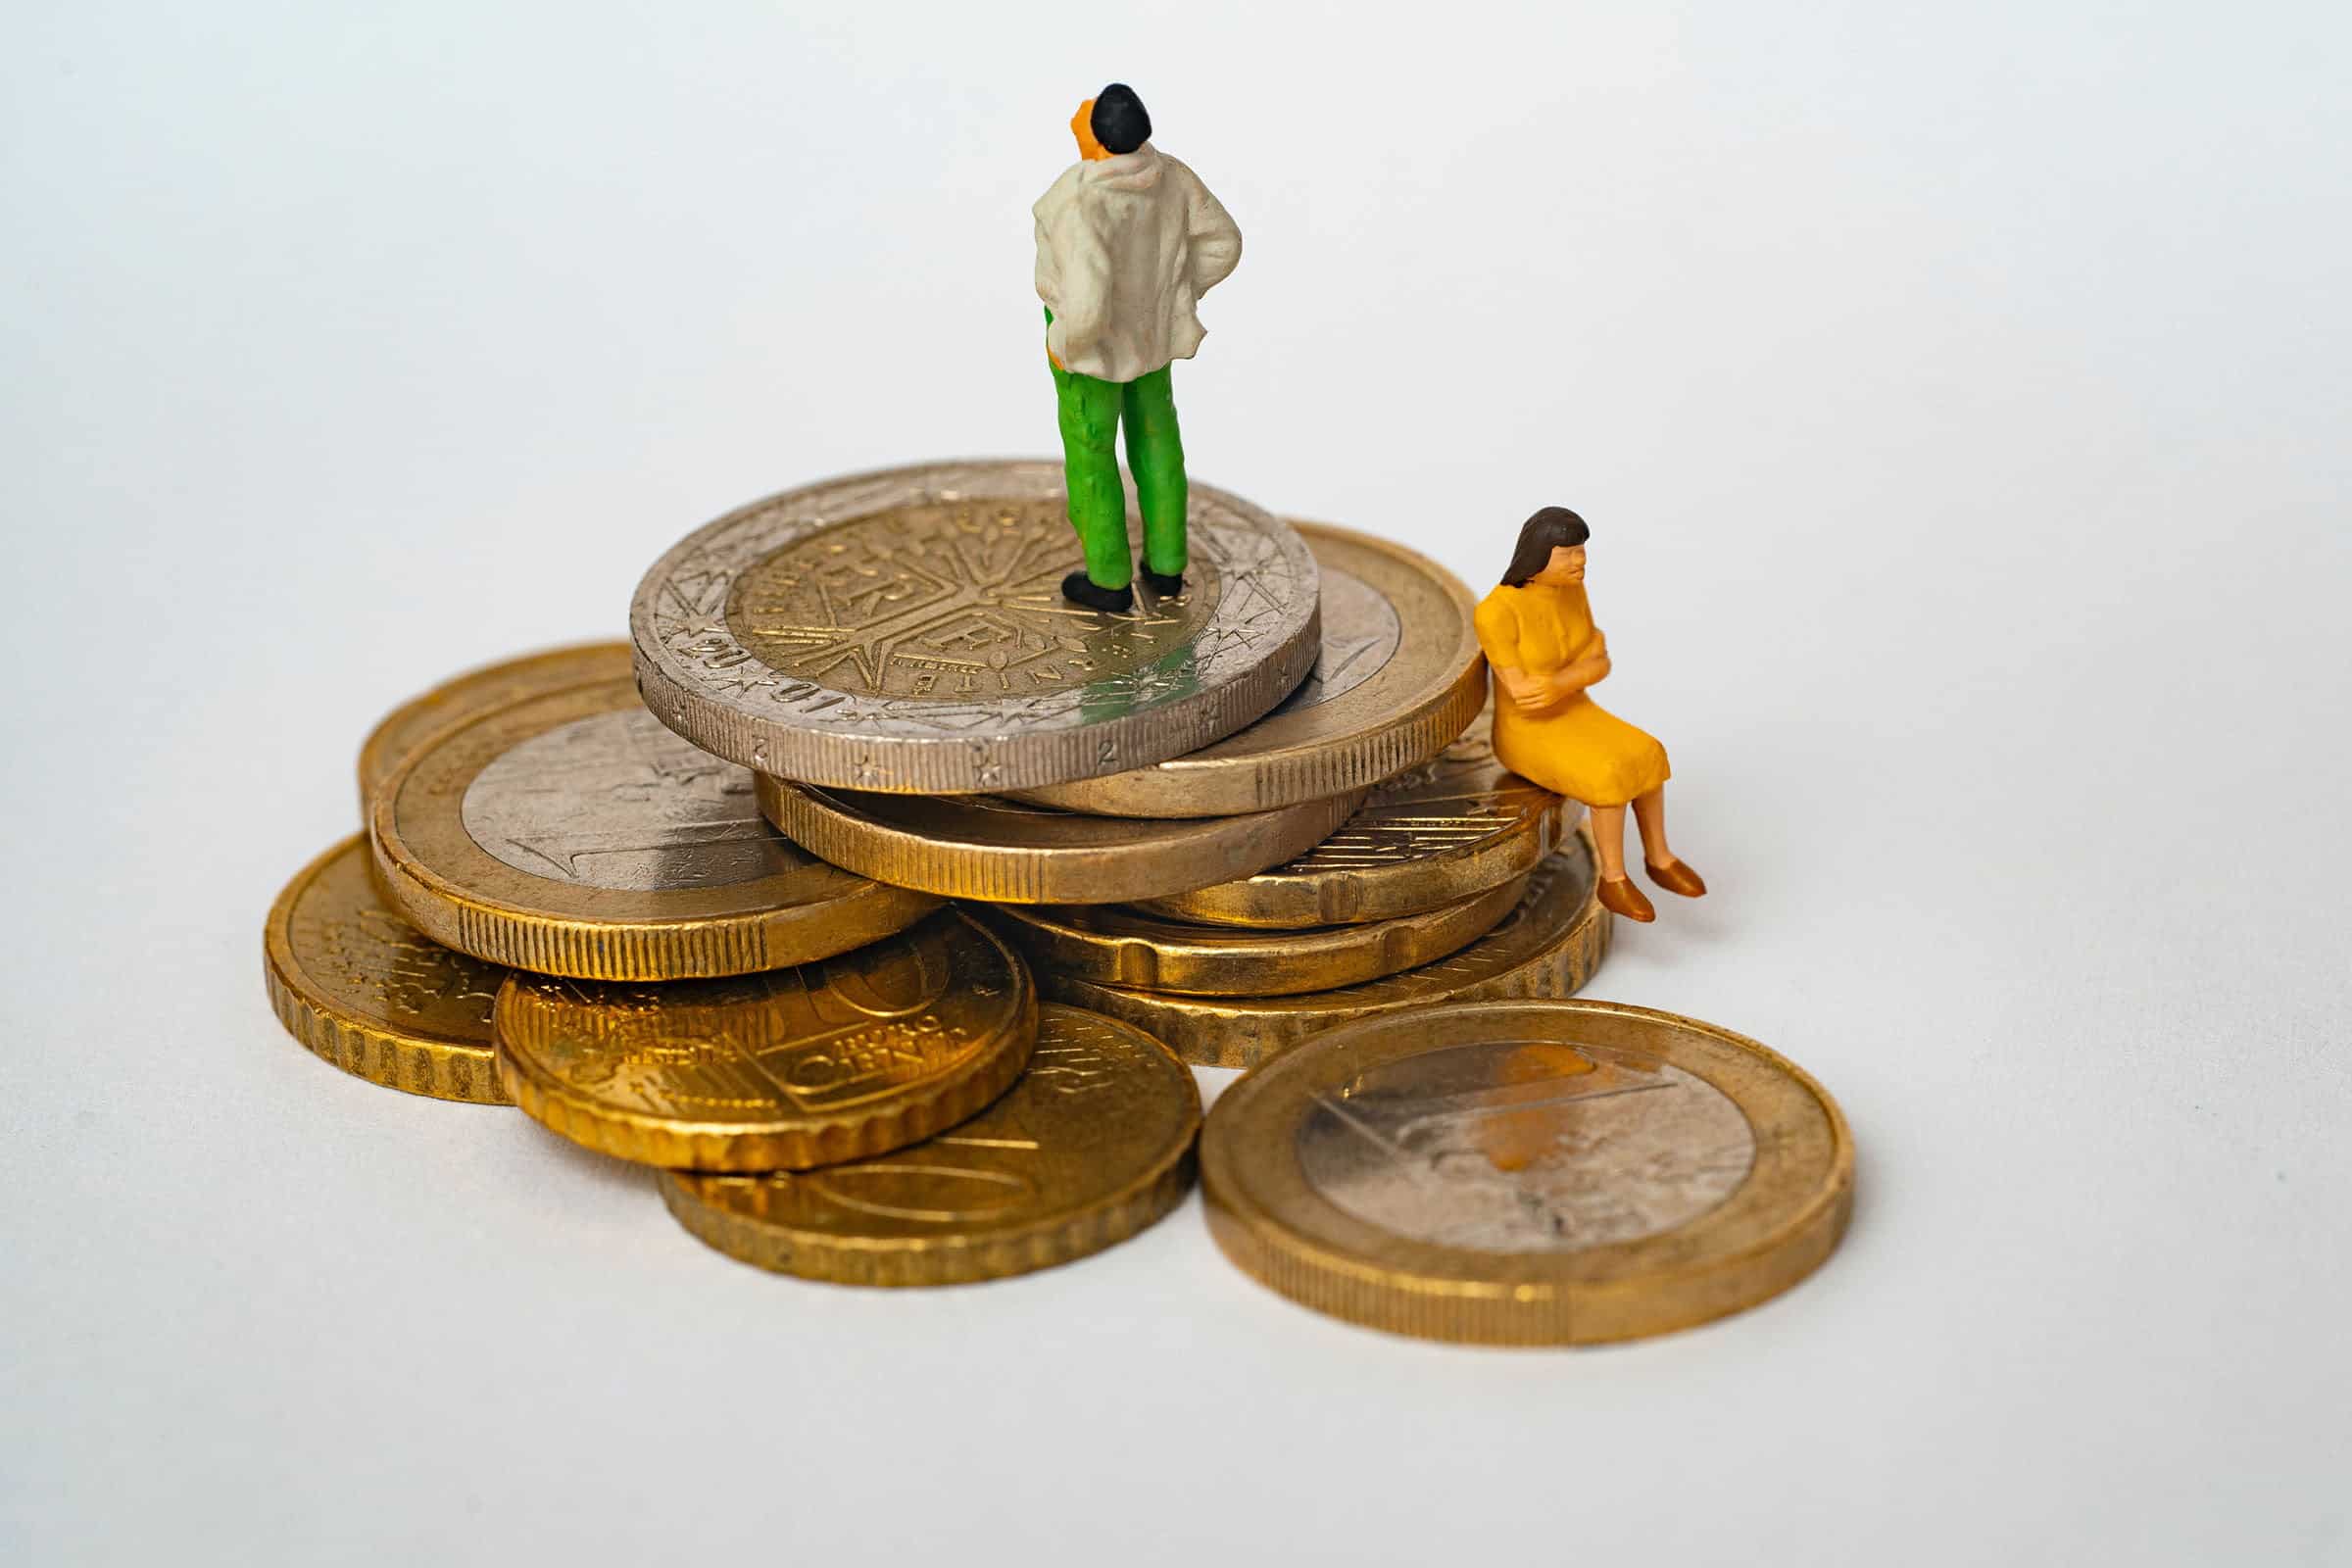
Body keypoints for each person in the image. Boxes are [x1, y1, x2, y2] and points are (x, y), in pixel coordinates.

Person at [1032, 83, 1243, 612]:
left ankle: (1108, 577)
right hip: (1152, 335)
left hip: (1091, 351)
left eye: (1087, 115)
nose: (1079, 116)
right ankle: (1167, 565)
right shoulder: (1171, 175)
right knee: (1157, 440)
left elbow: (1084, 301)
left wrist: (1065, 341)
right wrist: (1178, 293)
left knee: (1092, 454)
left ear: (1099, 138)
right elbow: (1224, 241)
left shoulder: (1079, 198)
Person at [1472, 506, 1707, 923]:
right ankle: (1613, 878)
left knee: (1649, 752)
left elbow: (1601, 664)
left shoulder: (1573, 592)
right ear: (1538, 556)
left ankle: (1659, 857)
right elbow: (1526, 695)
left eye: (1581, 551)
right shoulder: (1497, 611)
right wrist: (1574, 673)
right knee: (1608, 772)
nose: (1580, 562)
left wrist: (1561, 681)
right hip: (1526, 732)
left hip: (1576, 709)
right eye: (1568, 554)